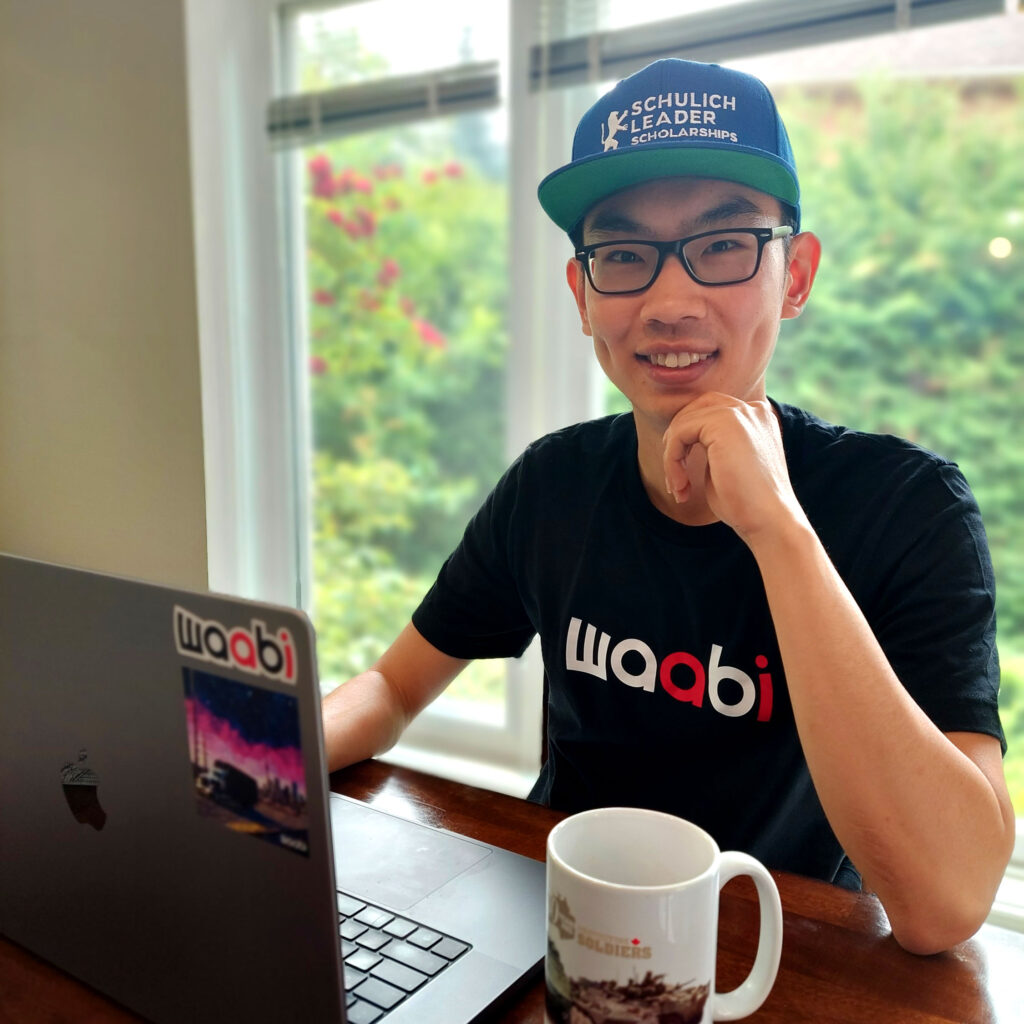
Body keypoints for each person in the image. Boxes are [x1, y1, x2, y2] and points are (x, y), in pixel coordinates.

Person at [322, 58, 1014, 955]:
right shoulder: (552, 486)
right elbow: (391, 686)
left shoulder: (906, 507)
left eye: (723, 245)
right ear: (583, 296)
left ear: (795, 276)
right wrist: (263, 750)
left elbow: (947, 902)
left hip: (776, 957)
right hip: (562, 941)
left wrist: (779, 530)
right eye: (623, 255)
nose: (670, 301)